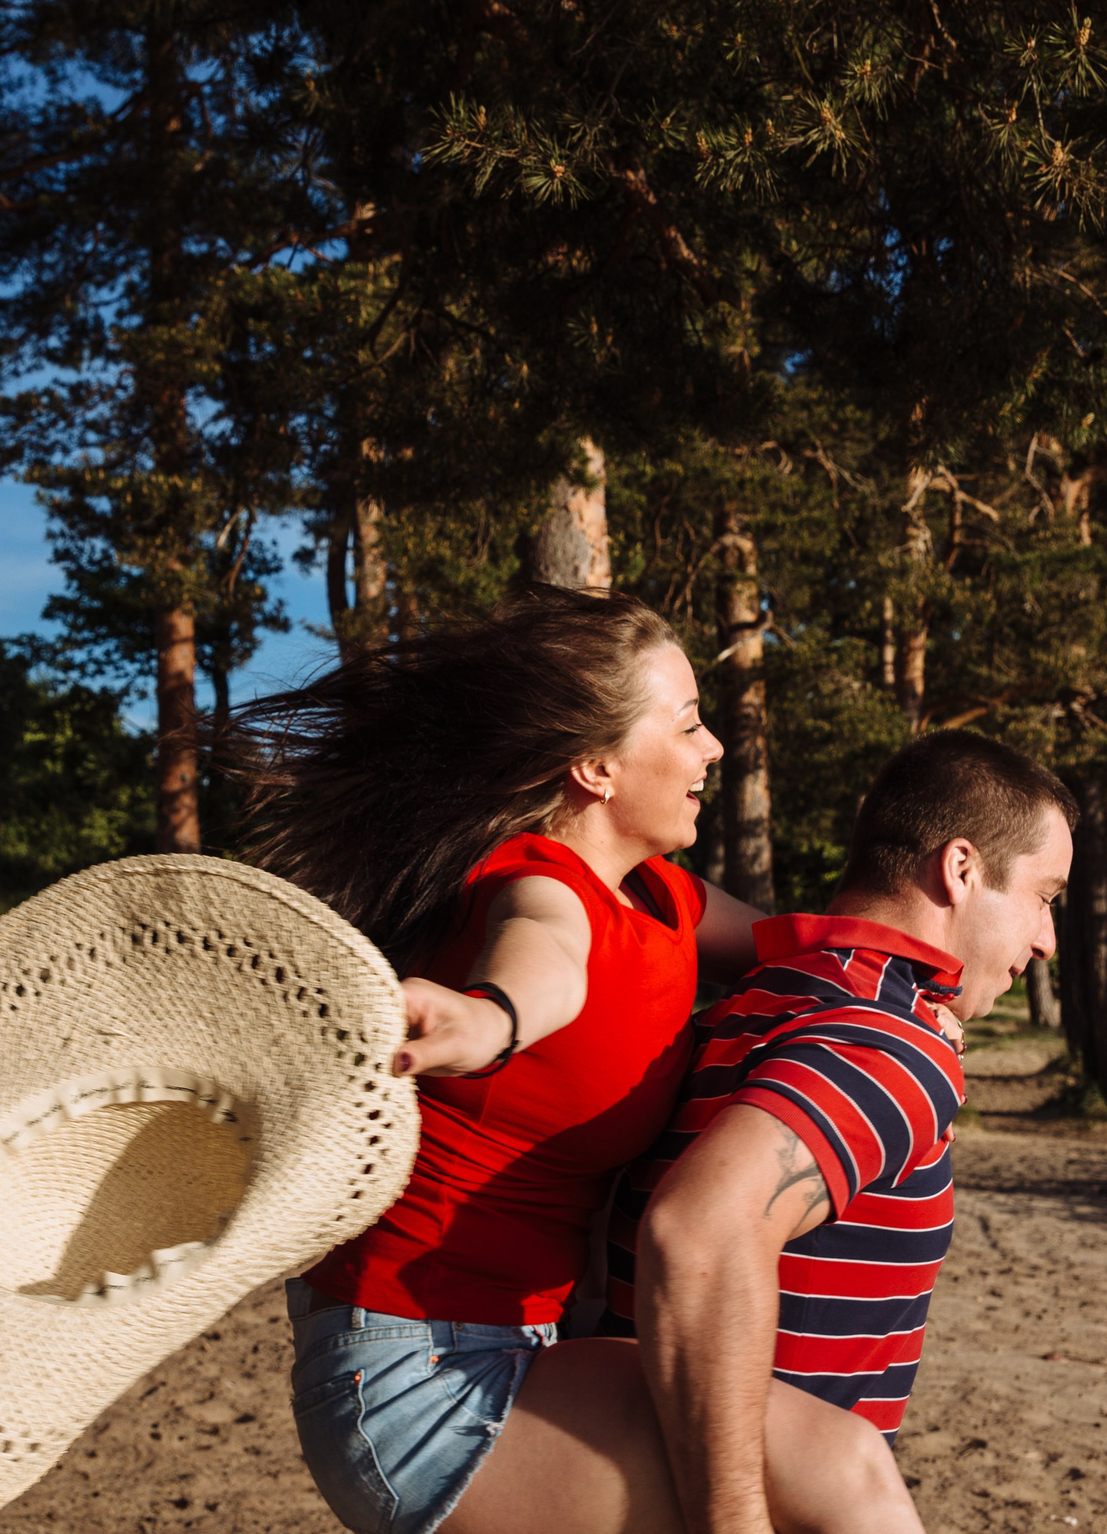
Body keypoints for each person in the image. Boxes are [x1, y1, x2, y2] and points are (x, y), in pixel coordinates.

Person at [228, 587, 799, 1534]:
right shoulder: (541, 878)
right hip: (415, 1374)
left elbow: (798, 947)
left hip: (532, 1346)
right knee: (821, 1473)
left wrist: (915, 987)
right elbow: (547, 959)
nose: (714, 749)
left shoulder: (664, 898)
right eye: (690, 724)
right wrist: (492, 1018)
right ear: (596, 767)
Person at [594, 731, 1076, 1534]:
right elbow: (701, 1231)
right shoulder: (889, 1042)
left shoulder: (758, 1001)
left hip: (638, 1463)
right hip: (747, 1498)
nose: (1047, 940)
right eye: (1044, 897)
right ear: (960, 870)